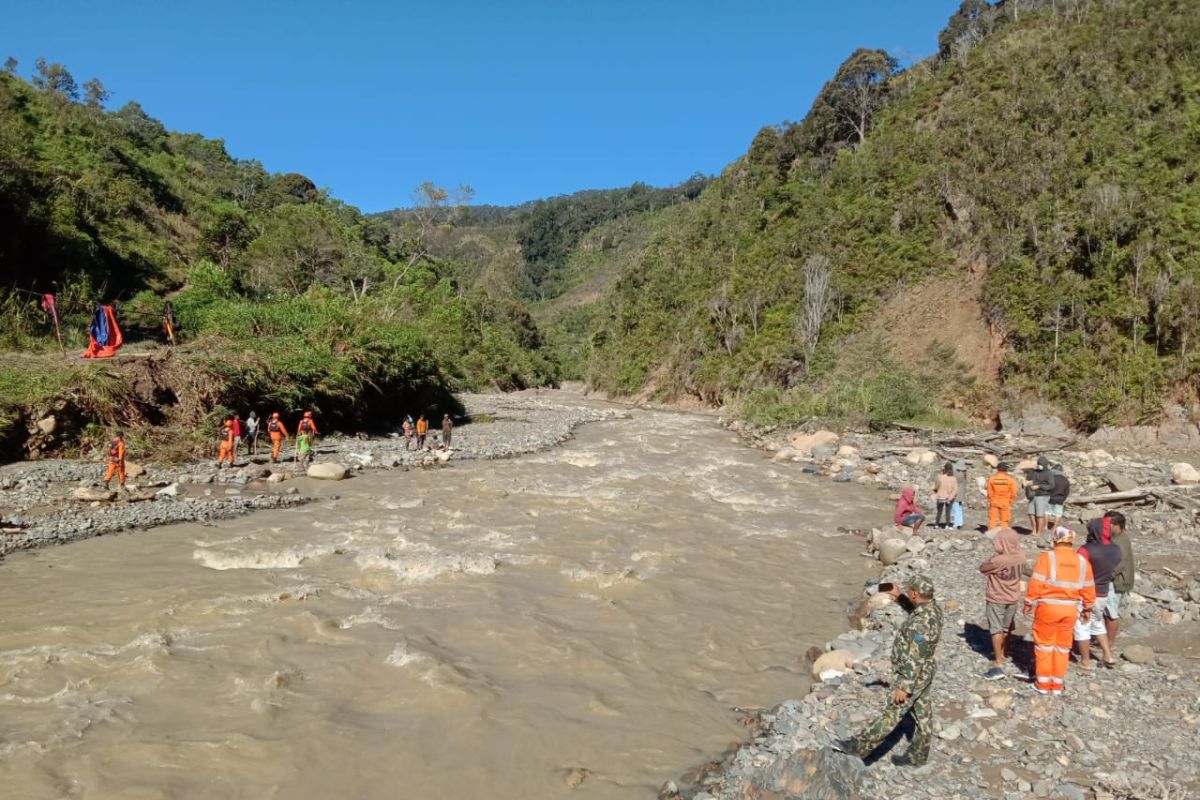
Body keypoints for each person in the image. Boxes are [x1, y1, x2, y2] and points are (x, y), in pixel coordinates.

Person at [834, 575, 944, 767]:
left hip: (913, 675)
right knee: (923, 714)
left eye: (909, 592)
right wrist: (900, 596)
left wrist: (904, 686)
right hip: (925, 671)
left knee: (891, 713)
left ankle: (858, 748)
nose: (908, 594)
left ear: (916, 594)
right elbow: (915, 610)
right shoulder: (932, 609)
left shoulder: (922, 623)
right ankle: (918, 756)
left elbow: (915, 658)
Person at [1024, 526, 1096, 695]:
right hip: (1070, 609)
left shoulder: (1047, 558)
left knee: (1044, 645)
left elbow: (1036, 582)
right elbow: (1088, 587)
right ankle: (1056, 685)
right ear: (1072, 540)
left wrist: (1029, 601)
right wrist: (1088, 608)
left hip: (1048, 608)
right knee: (1063, 647)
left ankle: (1042, 684)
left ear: (1055, 539)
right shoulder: (1082, 561)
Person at [979, 527, 1025, 679]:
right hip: (1013, 596)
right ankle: (1006, 652)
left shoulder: (999, 560)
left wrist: (993, 557)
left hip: (997, 597)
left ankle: (998, 660)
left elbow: (983, 568)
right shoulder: (1021, 557)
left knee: (996, 629)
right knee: (1007, 627)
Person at [1075, 521, 1121, 670]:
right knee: (1097, 622)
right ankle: (1108, 655)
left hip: (1086, 592)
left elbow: (1077, 570)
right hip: (1103, 592)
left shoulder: (1086, 550)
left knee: (1082, 625)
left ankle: (1085, 661)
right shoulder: (1116, 549)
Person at [1092, 511, 1134, 651]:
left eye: (1107, 525)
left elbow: (1120, 563)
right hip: (1110, 580)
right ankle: (1103, 640)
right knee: (1105, 612)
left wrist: (1105, 575)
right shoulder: (1115, 538)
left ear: (1116, 526)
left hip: (1115, 582)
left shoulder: (1120, 541)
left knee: (1111, 613)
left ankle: (1109, 644)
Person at [1029, 457, 1056, 544]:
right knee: (1031, 513)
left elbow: (1051, 486)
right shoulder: (1036, 472)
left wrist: (1039, 486)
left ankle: (1039, 532)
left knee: (1039, 515)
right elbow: (1029, 478)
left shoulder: (1049, 473)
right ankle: (1034, 529)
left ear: (1044, 464)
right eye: (1038, 463)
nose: (1039, 465)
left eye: (1041, 464)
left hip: (1043, 495)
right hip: (1033, 495)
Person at [986, 463, 1020, 529]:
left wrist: (990, 500)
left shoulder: (992, 479)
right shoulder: (1010, 480)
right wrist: (1010, 501)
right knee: (1004, 520)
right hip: (1005, 502)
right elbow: (1014, 492)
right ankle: (1003, 534)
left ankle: (991, 534)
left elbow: (989, 492)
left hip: (994, 501)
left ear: (997, 469)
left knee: (992, 519)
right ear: (1006, 470)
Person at [932, 463, 958, 529]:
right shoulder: (953, 478)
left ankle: (936, 524)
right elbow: (955, 490)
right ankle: (947, 525)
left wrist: (935, 490)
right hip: (948, 497)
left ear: (945, 469)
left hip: (940, 496)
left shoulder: (941, 477)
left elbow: (936, 486)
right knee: (948, 512)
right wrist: (950, 498)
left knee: (939, 511)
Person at [1047, 463, 1070, 531]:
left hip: (1050, 497)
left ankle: (1045, 526)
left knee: (1047, 512)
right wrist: (1064, 498)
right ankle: (1054, 527)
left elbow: (1047, 488)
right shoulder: (1065, 480)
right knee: (1058, 514)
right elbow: (1067, 491)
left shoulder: (1051, 478)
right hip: (1060, 498)